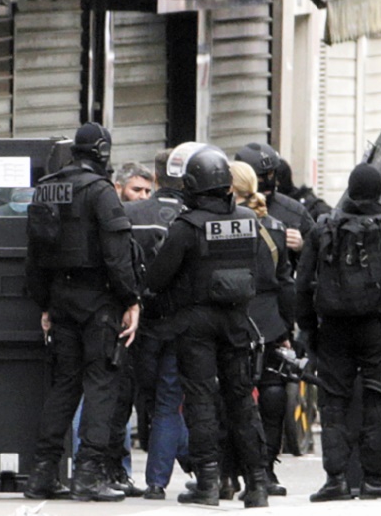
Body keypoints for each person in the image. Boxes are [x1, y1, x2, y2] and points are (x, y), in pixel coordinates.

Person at [146, 143, 269, 509]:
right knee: (242, 400)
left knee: (200, 401)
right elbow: (263, 272)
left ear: (192, 186)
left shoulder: (186, 227)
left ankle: (209, 482)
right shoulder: (249, 221)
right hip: (237, 320)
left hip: (195, 322)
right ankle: (258, 483)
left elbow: (157, 277)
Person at [24, 122, 140, 502]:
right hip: (98, 300)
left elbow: (35, 255)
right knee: (102, 384)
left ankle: (42, 473)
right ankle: (88, 474)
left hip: (60, 297)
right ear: (103, 152)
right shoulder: (101, 191)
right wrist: (130, 300)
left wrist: (45, 303)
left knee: (64, 385)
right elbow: (117, 254)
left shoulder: (47, 187)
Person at [296, 163, 381, 502]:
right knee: (376, 400)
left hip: (332, 329)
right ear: (378, 193)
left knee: (332, 402)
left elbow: (302, 284)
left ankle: (335, 479)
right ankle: (373, 479)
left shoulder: (323, 229)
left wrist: (308, 330)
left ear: (350, 191)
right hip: (376, 328)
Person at [124, 146, 191, 501]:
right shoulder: (193, 216)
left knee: (136, 396)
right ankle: (157, 481)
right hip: (179, 322)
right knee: (168, 401)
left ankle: (123, 472)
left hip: (135, 321)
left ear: (157, 175)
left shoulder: (130, 212)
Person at [231, 160, 295, 497]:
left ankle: (227, 474)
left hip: (233, 318)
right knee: (272, 393)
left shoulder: (223, 224)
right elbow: (285, 282)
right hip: (270, 318)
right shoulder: (276, 227)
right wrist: (288, 327)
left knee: (229, 395)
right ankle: (266, 470)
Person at [234, 143, 314, 271]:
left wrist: (302, 246)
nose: (267, 182)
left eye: (271, 174)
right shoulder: (227, 210)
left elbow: (321, 257)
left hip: (276, 286)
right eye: (260, 177)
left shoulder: (294, 211)